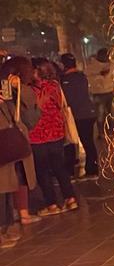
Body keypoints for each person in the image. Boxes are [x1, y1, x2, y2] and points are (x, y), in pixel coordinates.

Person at [28, 58, 77, 214]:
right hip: (56, 133)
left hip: (37, 134)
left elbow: (35, 107)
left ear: (39, 71)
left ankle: (52, 204)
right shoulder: (55, 85)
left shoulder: (31, 90)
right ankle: (70, 198)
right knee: (59, 167)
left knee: (42, 170)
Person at [1, 60, 41, 246]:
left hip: (10, 141)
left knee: (10, 185)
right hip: (4, 142)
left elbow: (29, 109)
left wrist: (18, 87)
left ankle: (6, 226)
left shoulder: (11, 86)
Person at [59, 53, 98, 178]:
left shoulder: (64, 79)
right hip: (88, 114)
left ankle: (70, 171)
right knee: (88, 142)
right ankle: (92, 169)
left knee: (70, 143)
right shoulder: (82, 76)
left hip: (74, 116)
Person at [86, 47, 114, 137]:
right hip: (98, 94)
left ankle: (111, 131)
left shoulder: (111, 64)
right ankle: (101, 132)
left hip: (110, 92)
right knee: (100, 114)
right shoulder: (92, 66)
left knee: (111, 113)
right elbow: (89, 77)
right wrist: (100, 74)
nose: (107, 57)